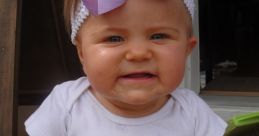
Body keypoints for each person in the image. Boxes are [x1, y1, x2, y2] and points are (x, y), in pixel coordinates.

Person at [25, 0, 227, 135]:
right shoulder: (66, 105)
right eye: (114, 38)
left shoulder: (192, 112)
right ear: (82, 54)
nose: (138, 53)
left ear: (187, 49)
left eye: (158, 36)